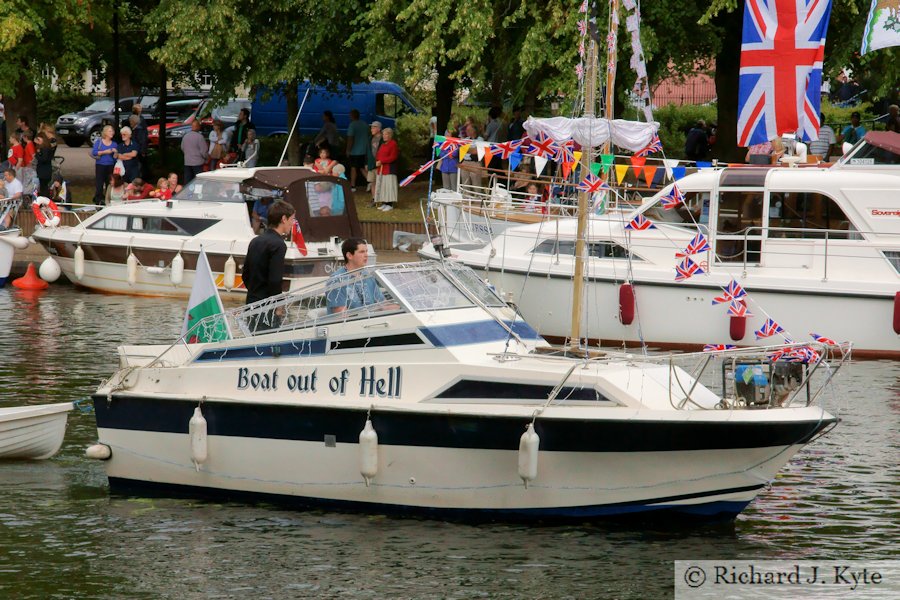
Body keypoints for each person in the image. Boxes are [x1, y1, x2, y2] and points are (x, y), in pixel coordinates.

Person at [243, 200, 295, 305]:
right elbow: (275, 280)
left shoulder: (255, 241)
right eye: (292, 219)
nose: (293, 223)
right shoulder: (279, 244)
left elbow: (245, 274)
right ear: (284, 219)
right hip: (267, 306)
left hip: (251, 301)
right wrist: (278, 304)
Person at [326, 238, 384, 314]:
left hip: (372, 322)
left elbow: (382, 304)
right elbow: (340, 316)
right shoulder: (336, 280)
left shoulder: (368, 276)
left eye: (366, 251)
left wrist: (401, 308)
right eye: (362, 252)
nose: (366, 255)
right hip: (350, 324)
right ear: (349, 255)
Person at [91, 125, 117, 205]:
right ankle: (98, 200)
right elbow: (94, 152)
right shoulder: (99, 142)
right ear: (105, 133)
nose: (112, 133)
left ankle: (107, 200)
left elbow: (115, 158)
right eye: (110, 131)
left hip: (110, 165)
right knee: (99, 183)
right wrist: (105, 152)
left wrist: (115, 152)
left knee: (109, 183)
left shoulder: (114, 144)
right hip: (100, 165)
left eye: (112, 131)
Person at [374, 127, 399, 211]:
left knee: (389, 186)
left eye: (386, 134)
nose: (384, 136)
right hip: (381, 169)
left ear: (390, 135)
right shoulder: (383, 144)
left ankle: (390, 204)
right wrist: (377, 161)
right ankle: (384, 202)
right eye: (383, 134)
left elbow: (393, 157)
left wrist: (382, 161)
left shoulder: (393, 144)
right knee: (383, 186)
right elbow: (378, 154)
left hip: (389, 169)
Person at [345, 109, 369, 191]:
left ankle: (353, 186)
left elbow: (350, 138)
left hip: (355, 151)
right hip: (364, 150)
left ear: (352, 116)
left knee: (353, 168)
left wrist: (348, 150)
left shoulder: (352, 125)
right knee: (362, 167)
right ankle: (370, 182)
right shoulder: (365, 124)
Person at [180, 120, 208, 185]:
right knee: (198, 182)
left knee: (187, 181)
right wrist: (206, 158)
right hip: (198, 163)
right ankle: (197, 194)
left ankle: (187, 194)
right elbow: (203, 151)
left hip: (187, 162)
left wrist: (187, 154)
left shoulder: (185, 136)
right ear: (198, 127)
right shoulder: (200, 137)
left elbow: (182, 148)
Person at [459, 122, 483, 188]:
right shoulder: (465, 139)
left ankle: (477, 197)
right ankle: (465, 197)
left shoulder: (480, 139)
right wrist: (471, 149)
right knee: (465, 183)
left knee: (476, 183)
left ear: (474, 131)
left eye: (469, 130)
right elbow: (461, 149)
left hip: (475, 163)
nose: (467, 131)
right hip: (465, 162)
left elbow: (477, 151)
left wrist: (467, 149)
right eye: (466, 130)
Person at [130, 111, 149, 180]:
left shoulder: (138, 130)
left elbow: (142, 141)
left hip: (139, 152)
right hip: (138, 151)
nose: (130, 123)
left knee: (141, 167)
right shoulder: (136, 129)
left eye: (131, 121)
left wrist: (143, 151)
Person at [366, 121, 383, 200]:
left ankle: (381, 199)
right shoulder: (369, 139)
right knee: (372, 182)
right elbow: (368, 152)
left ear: (379, 129)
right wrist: (366, 163)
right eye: (371, 127)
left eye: (374, 127)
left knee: (380, 182)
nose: (371, 129)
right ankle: (374, 199)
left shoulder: (383, 139)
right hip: (371, 164)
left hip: (380, 164)